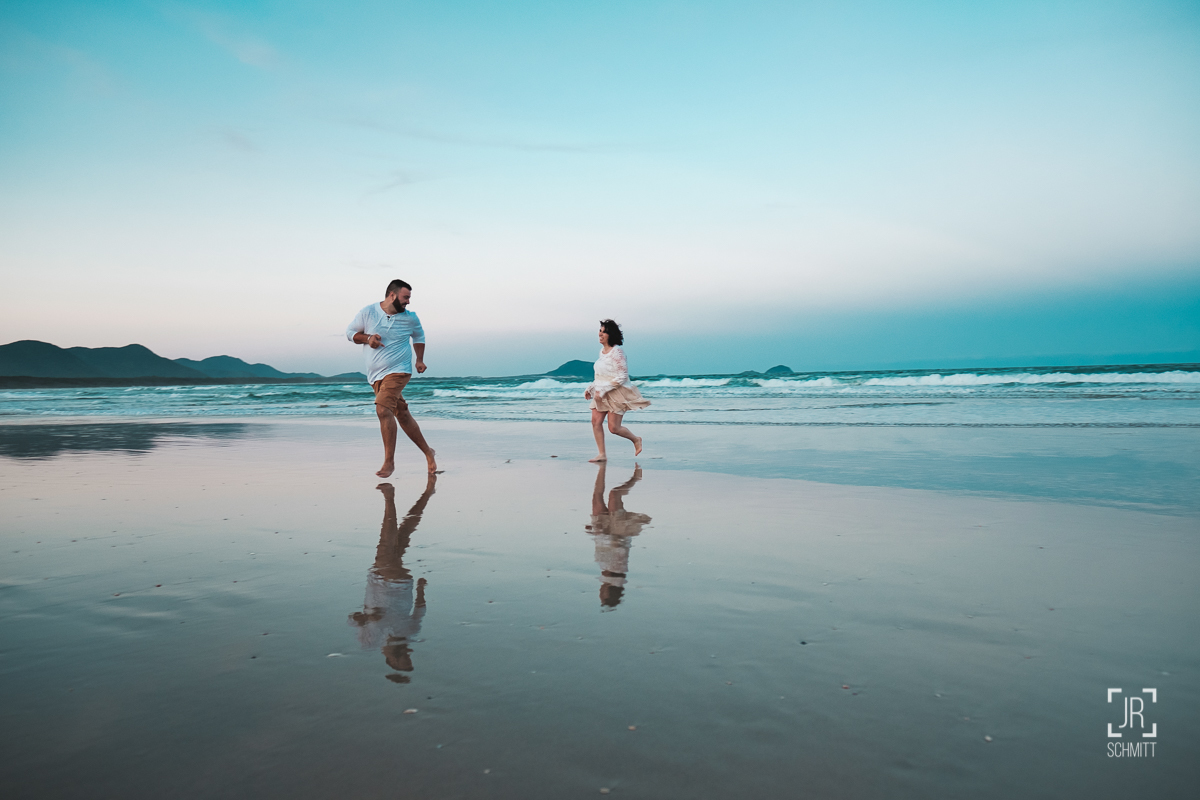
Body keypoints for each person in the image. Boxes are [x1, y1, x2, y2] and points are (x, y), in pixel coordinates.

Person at [347, 477, 436, 683]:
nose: (406, 656)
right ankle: (389, 497)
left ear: (390, 661)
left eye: (402, 661)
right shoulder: (406, 635)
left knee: (403, 535)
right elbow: (419, 610)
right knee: (387, 539)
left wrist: (368, 618)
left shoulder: (369, 642)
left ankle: (426, 495)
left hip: (392, 581)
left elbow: (352, 618)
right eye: (407, 658)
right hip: (389, 580)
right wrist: (421, 589)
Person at [347, 280, 437, 477]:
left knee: (382, 409)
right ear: (392, 295)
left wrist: (419, 360)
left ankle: (389, 462)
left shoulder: (411, 318)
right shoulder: (368, 312)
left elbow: (419, 337)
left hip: (399, 371)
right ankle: (428, 452)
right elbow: (350, 333)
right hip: (375, 376)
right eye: (406, 297)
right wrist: (367, 338)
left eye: (409, 298)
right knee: (402, 414)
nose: (408, 302)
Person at [586, 463, 652, 609]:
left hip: (603, 531)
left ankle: (601, 470)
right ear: (608, 591)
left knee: (597, 496)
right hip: (616, 530)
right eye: (602, 594)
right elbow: (618, 547)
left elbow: (603, 550)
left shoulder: (607, 572)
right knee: (614, 494)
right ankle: (636, 478)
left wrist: (594, 532)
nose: (600, 592)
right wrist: (601, 533)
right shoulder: (617, 570)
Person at [583, 319, 649, 462]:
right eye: (600, 331)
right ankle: (602, 455)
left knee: (614, 428)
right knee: (595, 422)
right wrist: (591, 388)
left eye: (603, 331)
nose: (600, 334)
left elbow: (622, 376)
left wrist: (605, 390)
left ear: (610, 334)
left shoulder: (617, 352)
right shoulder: (602, 352)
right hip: (600, 393)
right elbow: (602, 375)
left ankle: (636, 439)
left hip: (615, 393)